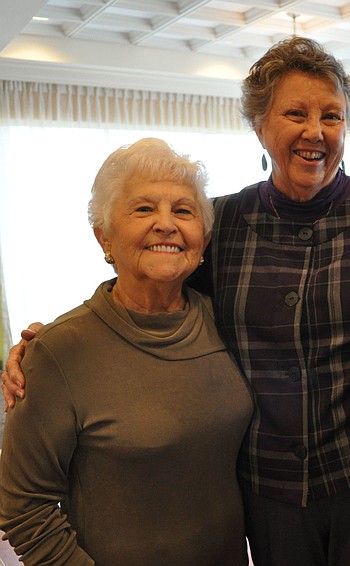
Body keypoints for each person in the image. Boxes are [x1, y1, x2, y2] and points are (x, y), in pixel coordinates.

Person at [2, 37, 350, 566]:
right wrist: (43, 348)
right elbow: (145, 290)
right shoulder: (223, 222)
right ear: (259, 125)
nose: (315, 131)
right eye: (295, 112)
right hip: (265, 495)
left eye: (332, 116)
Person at [0, 138, 253, 565]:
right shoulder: (58, 351)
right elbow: (24, 506)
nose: (166, 224)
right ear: (104, 237)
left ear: (204, 240)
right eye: (143, 209)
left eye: (184, 210)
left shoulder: (230, 322)